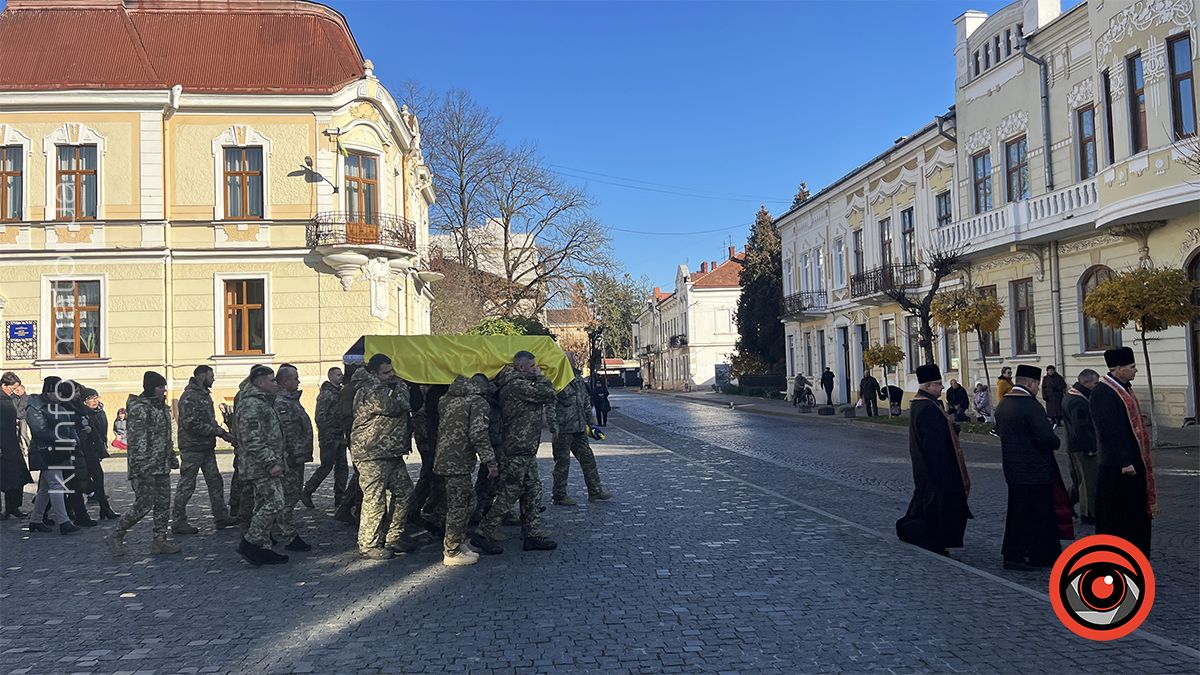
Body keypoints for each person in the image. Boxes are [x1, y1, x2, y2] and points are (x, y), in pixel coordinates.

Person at [474, 351, 558, 553]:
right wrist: (540, 377)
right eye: (532, 365)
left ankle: (532, 533)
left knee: (533, 490)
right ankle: (484, 531)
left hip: (525, 448)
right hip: (517, 448)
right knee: (510, 492)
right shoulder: (516, 386)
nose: (536, 368)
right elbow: (549, 393)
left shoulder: (518, 384)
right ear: (520, 367)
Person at [896, 364, 971, 555]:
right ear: (927, 385)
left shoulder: (926, 403)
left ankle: (928, 537)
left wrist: (951, 430)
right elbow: (934, 443)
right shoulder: (927, 407)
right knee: (937, 506)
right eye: (938, 384)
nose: (942, 387)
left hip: (929, 467)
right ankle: (933, 541)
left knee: (928, 504)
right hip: (936, 468)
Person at [996, 365, 1063, 571]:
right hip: (1035, 470)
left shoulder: (1004, 404)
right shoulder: (1030, 406)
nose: (1038, 388)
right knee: (1038, 515)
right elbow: (1045, 437)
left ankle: (1015, 553)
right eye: (1037, 384)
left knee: (1017, 513)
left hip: (1013, 469)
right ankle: (1035, 555)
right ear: (1030, 383)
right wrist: (1055, 440)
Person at [350, 354, 417, 560]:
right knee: (375, 498)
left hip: (390, 452)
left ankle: (393, 536)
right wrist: (403, 385)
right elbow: (396, 406)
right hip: (372, 453)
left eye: (392, 370)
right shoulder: (371, 390)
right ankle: (368, 544)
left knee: (405, 491)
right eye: (386, 372)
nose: (392, 375)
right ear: (374, 373)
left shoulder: (385, 387)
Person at [1091, 347, 1156, 555]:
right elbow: (1109, 430)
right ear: (1118, 368)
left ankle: (1137, 556)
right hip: (1118, 468)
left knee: (1136, 517)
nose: (1136, 370)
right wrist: (1125, 461)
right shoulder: (1103, 392)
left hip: (1134, 462)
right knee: (1119, 518)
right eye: (1132, 366)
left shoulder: (1125, 388)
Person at [108, 371, 181, 556]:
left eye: (164, 387)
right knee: (143, 505)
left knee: (163, 503)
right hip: (145, 466)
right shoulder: (139, 408)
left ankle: (160, 541)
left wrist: (171, 456)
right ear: (150, 388)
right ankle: (117, 534)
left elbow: (165, 436)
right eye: (160, 387)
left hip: (162, 465)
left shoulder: (162, 408)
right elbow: (137, 440)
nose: (164, 390)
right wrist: (142, 466)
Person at [433, 374, 498, 565]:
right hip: (459, 461)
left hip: (446, 457)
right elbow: (478, 433)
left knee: (468, 501)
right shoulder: (477, 402)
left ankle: (458, 543)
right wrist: (490, 461)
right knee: (459, 507)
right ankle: (451, 551)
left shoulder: (446, 399)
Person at [232, 365, 289, 566]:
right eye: (272, 380)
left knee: (261, 504)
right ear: (259, 382)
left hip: (264, 463)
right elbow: (252, 439)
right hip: (259, 466)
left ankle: (263, 548)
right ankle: (250, 541)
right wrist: (270, 462)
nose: (275, 383)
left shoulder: (263, 401)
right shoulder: (251, 404)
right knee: (276, 502)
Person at [172, 365, 237, 534]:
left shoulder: (204, 395)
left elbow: (209, 420)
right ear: (202, 376)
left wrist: (223, 433)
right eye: (211, 375)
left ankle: (221, 517)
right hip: (192, 448)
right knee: (187, 485)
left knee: (215, 482)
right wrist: (216, 431)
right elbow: (190, 424)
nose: (213, 378)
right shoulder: (189, 396)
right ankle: (178, 522)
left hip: (206, 447)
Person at [550, 355, 612, 506]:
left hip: (579, 428)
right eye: (568, 359)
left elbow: (585, 403)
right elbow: (549, 405)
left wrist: (592, 425)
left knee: (588, 459)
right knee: (562, 463)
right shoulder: (556, 378)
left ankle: (595, 490)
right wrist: (553, 427)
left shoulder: (578, 379)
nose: (571, 361)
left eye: (571, 359)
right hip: (563, 429)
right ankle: (559, 495)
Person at [24, 377, 78, 534]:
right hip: (45, 451)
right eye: (57, 392)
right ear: (48, 391)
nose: (60, 395)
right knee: (56, 485)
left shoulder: (58, 406)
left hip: (59, 450)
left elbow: (69, 425)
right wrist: (66, 440)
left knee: (45, 488)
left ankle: (36, 520)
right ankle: (64, 522)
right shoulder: (35, 408)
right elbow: (40, 431)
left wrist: (74, 439)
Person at [273, 364, 313, 552]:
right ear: (285, 381)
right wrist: (292, 456)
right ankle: (289, 534)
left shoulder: (290, 399)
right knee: (289, 496)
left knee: (290, 495)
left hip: (296, 456)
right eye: (295, 378)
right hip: (290, 458)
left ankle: (272, 530)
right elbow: (286, 433)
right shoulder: (282, 402)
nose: (298, 381)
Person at [302, 366, 348, 509]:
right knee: (326, 466)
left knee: (342, 467)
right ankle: (308, 491)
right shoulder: (326, 394)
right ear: (331, 377)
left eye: (341, 374)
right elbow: (319, 416)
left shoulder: (340, 392)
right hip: (329, 436)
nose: (341, 376)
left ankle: (339, 497)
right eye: (338, 375)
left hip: (340, 435)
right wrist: (326, 433)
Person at [1063, 369, 1100, 525]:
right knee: (1088, 481)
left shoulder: (1071, 396)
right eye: (1095, 383)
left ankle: (1064, 506)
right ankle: (1089, 514)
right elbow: (1081, 427)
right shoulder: (1078, 401)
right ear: (1086, 383)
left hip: (1074, 445)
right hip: (1082, 448)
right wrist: (1090, 447)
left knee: (1079, 480)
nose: (1097, 386)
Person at [79, 388, 119, 520]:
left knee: (98, 479)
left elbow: (102, 432)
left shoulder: (100, 412)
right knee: (82, 482)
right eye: (91, 398)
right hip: (84, 451)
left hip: (94, 450)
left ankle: (105, 508)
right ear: (84, 401)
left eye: (96, 397)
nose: (95, 401)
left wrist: (102, 446)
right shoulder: (82, 413)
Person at [0, 372, 33, 519]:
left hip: (12, 443)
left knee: (18, 475)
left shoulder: (9, 398)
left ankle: (13, 506)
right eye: (12, 388)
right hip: (2, 444)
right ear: (4, 385)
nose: (14, 391)